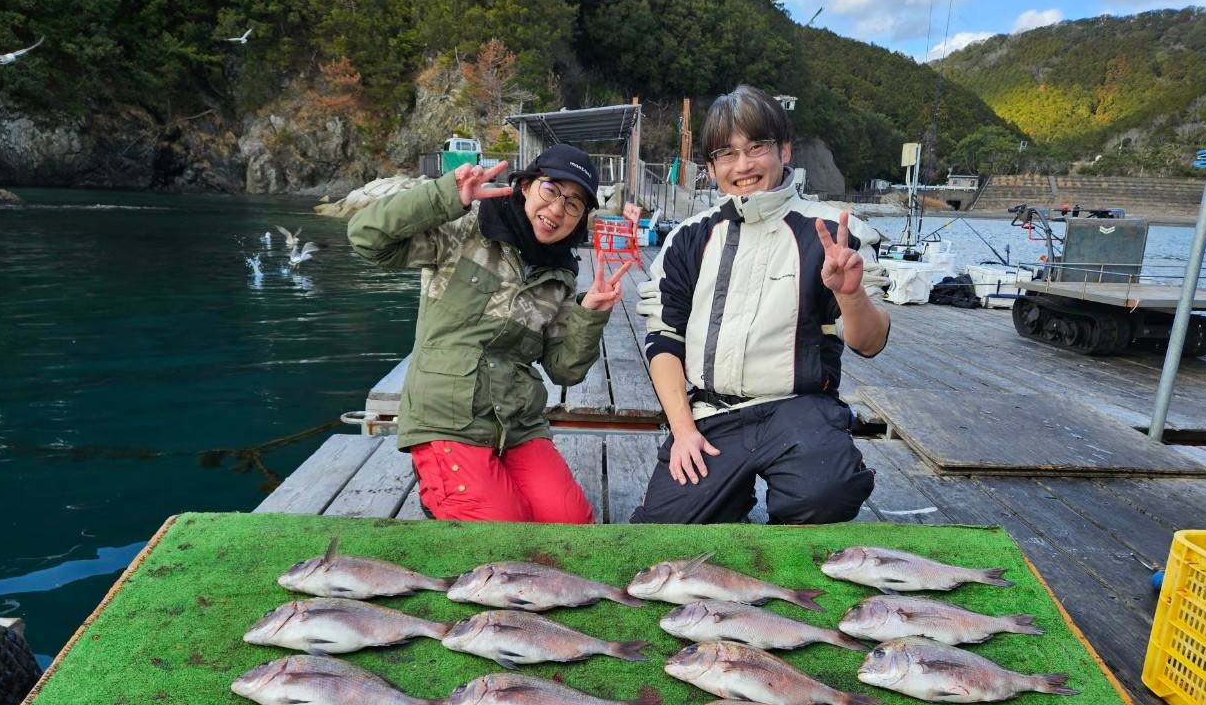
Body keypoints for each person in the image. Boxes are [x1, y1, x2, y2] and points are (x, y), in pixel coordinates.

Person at [629, 85, 891, 525]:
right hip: (712, 412)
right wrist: (683, 429)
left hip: (800, 408)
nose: (743, 165)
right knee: (666, 531)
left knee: (825, 492)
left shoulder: (833, 232)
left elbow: (870, 342)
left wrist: (851, 294)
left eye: (756, 148)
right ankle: (725, 503)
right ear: (711, 168)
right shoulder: (688, 238)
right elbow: (664, 340)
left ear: (784, 150)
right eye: (727, 155)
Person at [348, 144, 633, 522]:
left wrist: (589, 313)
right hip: (448, 414)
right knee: (502, 528)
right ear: (527, 185)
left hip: (517, 423)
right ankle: (438, 489)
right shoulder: (466, 227)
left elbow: (565, 370)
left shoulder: (561, 273)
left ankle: (481, 482)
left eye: (574, 204)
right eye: (551, 189)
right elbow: (367, 237)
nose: (557, 210)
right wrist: (445, 195)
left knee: (571, 523)